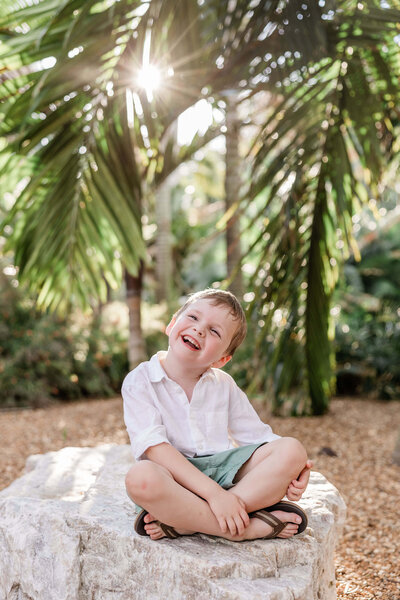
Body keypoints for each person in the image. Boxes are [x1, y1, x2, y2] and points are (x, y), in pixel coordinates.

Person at [122, 289, 313, 542]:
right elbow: (155, 449)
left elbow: (259, 439)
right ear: (171, 324)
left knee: (292, 450)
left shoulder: (224, 384)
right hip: (173, 479)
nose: (200, 329)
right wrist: (216, 496)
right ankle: (242, 528)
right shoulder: (140, 380)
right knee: (140, 478)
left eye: (214, 331)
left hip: (225, 476)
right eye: (192, 317)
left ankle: (188, 522)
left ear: (222, 359)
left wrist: (298, 468)